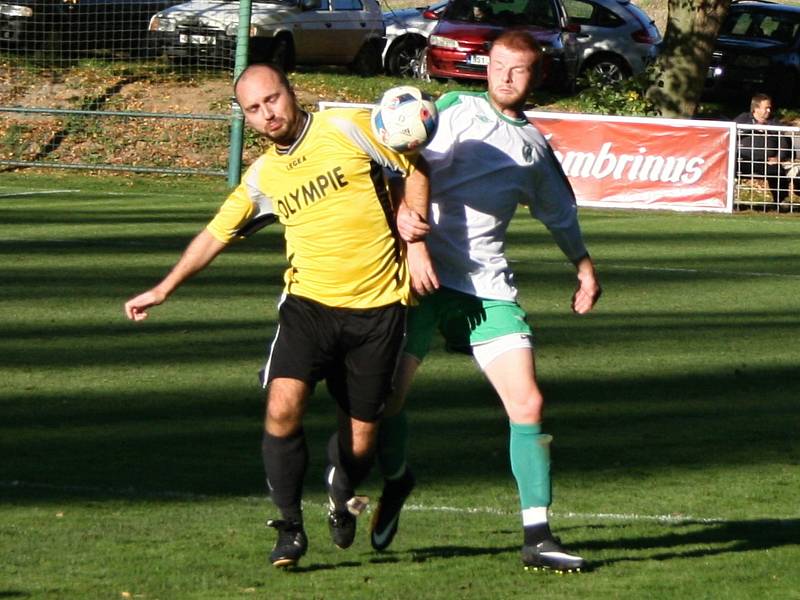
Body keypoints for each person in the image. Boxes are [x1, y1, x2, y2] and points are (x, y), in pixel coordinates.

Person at [123, 63, 435, 569]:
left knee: (361, 443)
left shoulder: (349, 127)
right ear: (245, 117)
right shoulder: (263, 176)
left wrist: (415, 241)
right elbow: (214, 235)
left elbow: (416, 165)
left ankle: (340, 491)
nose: (267, 113)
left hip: (378, 310)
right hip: (307, 307)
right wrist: (164, 288)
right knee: (281, 409)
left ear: (291, 92)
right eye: (254, 109)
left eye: (272, 99)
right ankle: (289, 527)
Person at [369, 30, 602, 572]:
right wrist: (412, 236)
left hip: (485, 287)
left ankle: (537, 536)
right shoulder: (450, 109)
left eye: (518, 70)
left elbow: (560, 216)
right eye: (498, 65)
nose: (504, 76)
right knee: (387, 403)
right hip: (420, 281)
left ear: (535, 77)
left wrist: (584, 268)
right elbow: (407, 161)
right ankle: (399, 480)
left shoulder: (535, 149)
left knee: (529, 404)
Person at [734, 93, 795, 207]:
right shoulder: (744, 118)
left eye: (769, 108)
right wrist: (753, 128)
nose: (768, 110)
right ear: (756, 108)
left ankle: (781, 202)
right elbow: (731, 132)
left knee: (776, 170)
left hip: (766, 161)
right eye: (766, 107)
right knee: (727, 167)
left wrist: (778, 158)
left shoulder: (773, 121)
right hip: (742, 160)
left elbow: (783, 141)